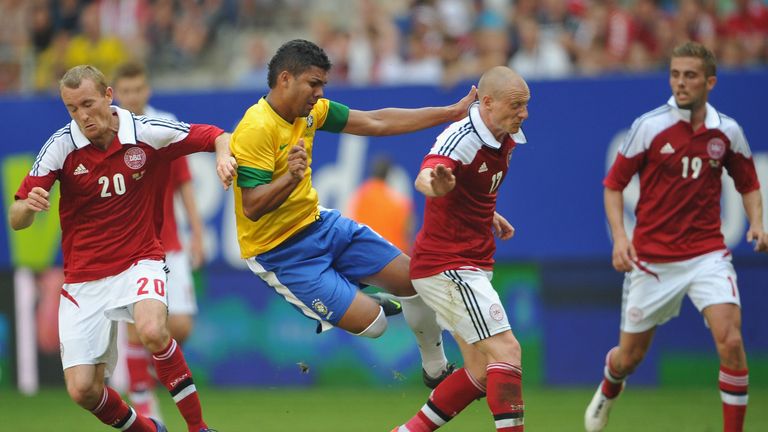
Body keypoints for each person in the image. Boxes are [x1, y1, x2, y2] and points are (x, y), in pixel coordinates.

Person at [229, 39, 477, 387]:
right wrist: (290, 177)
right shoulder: (256, 129)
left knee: (416, 278)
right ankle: (357, 296)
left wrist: (449, 113)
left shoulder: (311, 112)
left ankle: (436, 368)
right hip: (280, 254)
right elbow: (252, 207)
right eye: (313, 84)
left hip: (318, 223)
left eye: (322, 85)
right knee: (375, 325)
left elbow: (376, 121)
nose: (319, 93)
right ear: (285, 78)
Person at [9, 65, 235, 432]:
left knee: (152, 330)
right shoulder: (60, 146)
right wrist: (27, 207)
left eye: (87, 103)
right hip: (84, 278)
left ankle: (198, 427)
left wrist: (224, 156)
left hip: (139, 259)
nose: (82, 116)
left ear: (108, 96)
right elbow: (16, 216)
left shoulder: (145, 131)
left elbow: (216, 135)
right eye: (72, 108)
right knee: (83, 390)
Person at [584, 41, 767, 432]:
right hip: (651, 260)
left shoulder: (727, 131)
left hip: (707, 255)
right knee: (629, 358)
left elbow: (749, 183)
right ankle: (610, 385)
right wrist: (620, 237)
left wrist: (756, 222)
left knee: (731, 341)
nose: (680, 83)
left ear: (710, 82)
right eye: (675, 74)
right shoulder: (649, 127)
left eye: (690, 76)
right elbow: (613, 185)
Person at [391, 66, 529, 432]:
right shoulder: (462, 136)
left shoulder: (505, 135)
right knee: (507, 351)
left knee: (481, 373)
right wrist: (434, 185)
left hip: (470, 261)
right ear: (487, 102)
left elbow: (471, 185)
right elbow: (430, 173)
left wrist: (489, 213)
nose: (524, 113)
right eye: (516, 105)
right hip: (448, 265)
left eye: (526, 105)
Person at [113, 61, 206, 420]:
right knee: (139, 327)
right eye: (127, 90)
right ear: (116, 93)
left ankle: (144, 376)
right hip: (129, 247)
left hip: (169, 241)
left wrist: (197, 232)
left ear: (147, 90)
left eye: (139, 89)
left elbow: (183, 181)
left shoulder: (164, 125)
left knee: (179, 324)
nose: (133, 96)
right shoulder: (106, 133)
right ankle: (145, 406)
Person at [347, 156, 415, 253]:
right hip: (391, 255)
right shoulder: (397, 200)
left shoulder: (361, 194)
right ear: (389, 174)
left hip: (364, 250)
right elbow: (407, 229)